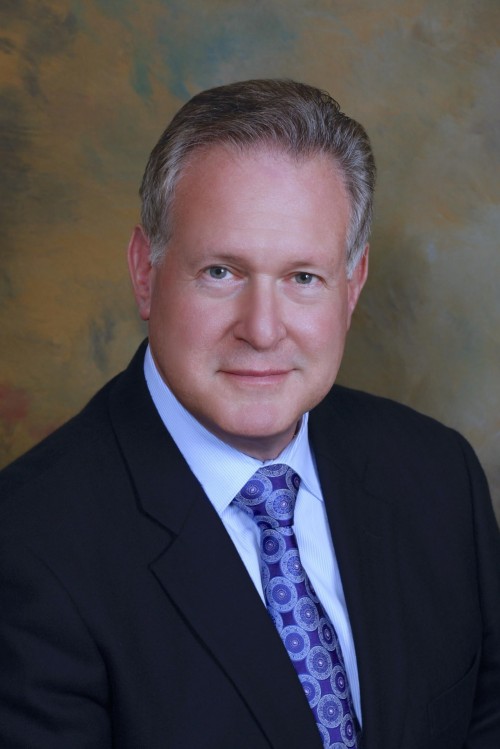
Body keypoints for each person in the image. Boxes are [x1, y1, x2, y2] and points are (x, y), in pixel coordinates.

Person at [0, 79, 499, 749]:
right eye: (221, 272)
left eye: (303, 277)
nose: (262, 330)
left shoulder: (438, 475)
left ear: (352, 285)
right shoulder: (27, 547)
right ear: (145, 272)